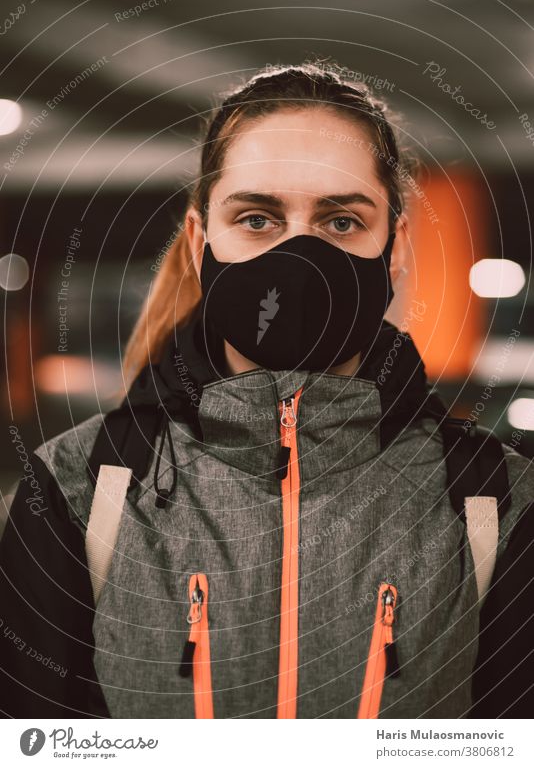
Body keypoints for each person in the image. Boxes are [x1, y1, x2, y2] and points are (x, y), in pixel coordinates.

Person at [1, 60, 533, 719]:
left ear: (394, 248)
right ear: (201, 242)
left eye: (341, 222)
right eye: (257, 218)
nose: (298, 257)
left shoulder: (496, 501)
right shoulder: (78, 489)